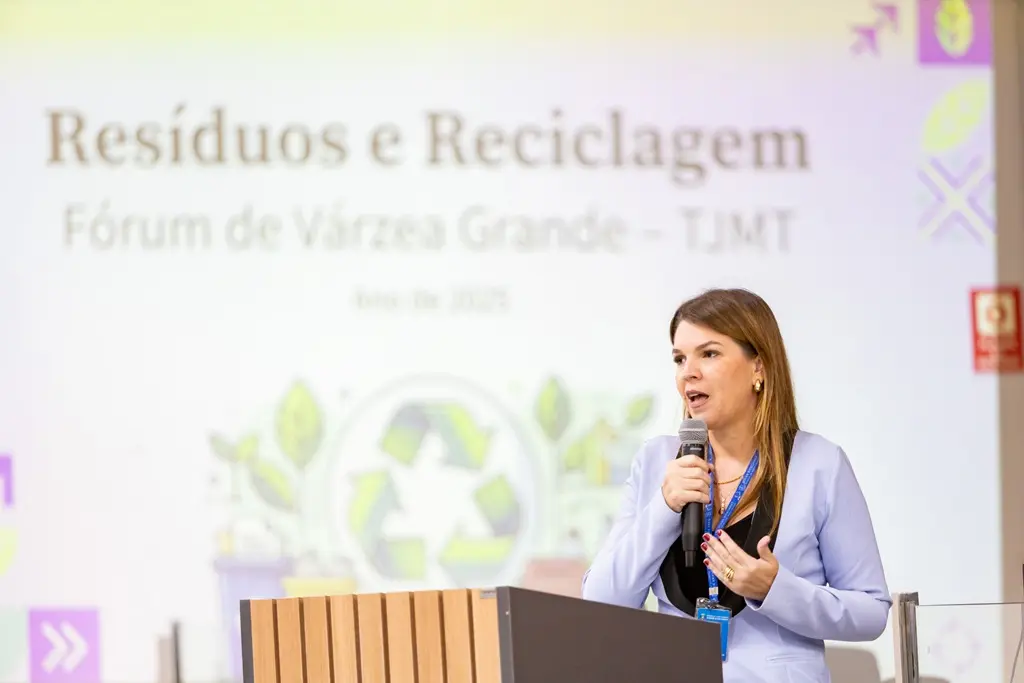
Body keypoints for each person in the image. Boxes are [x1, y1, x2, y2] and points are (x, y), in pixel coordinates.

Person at [581, 288, 890, 683]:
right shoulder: (657, 461)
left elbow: (871, 611)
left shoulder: (819, 464)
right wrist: (664, 506)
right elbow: (602, 601)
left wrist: (775, 589)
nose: (688, 372)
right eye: (679, 358)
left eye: (708, 354)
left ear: (758, 366)